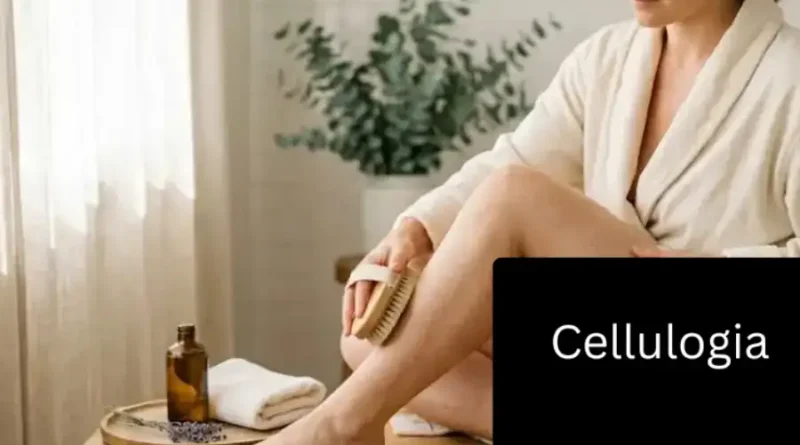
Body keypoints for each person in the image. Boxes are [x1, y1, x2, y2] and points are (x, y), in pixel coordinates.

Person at [264, 0, 800, 443]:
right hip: (603, 338)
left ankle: (341, 424)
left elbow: (511, 184)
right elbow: (514, 154)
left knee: (514, 197)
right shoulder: (607, 58)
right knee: (372, 338)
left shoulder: (790, 76)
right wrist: (417, 227)